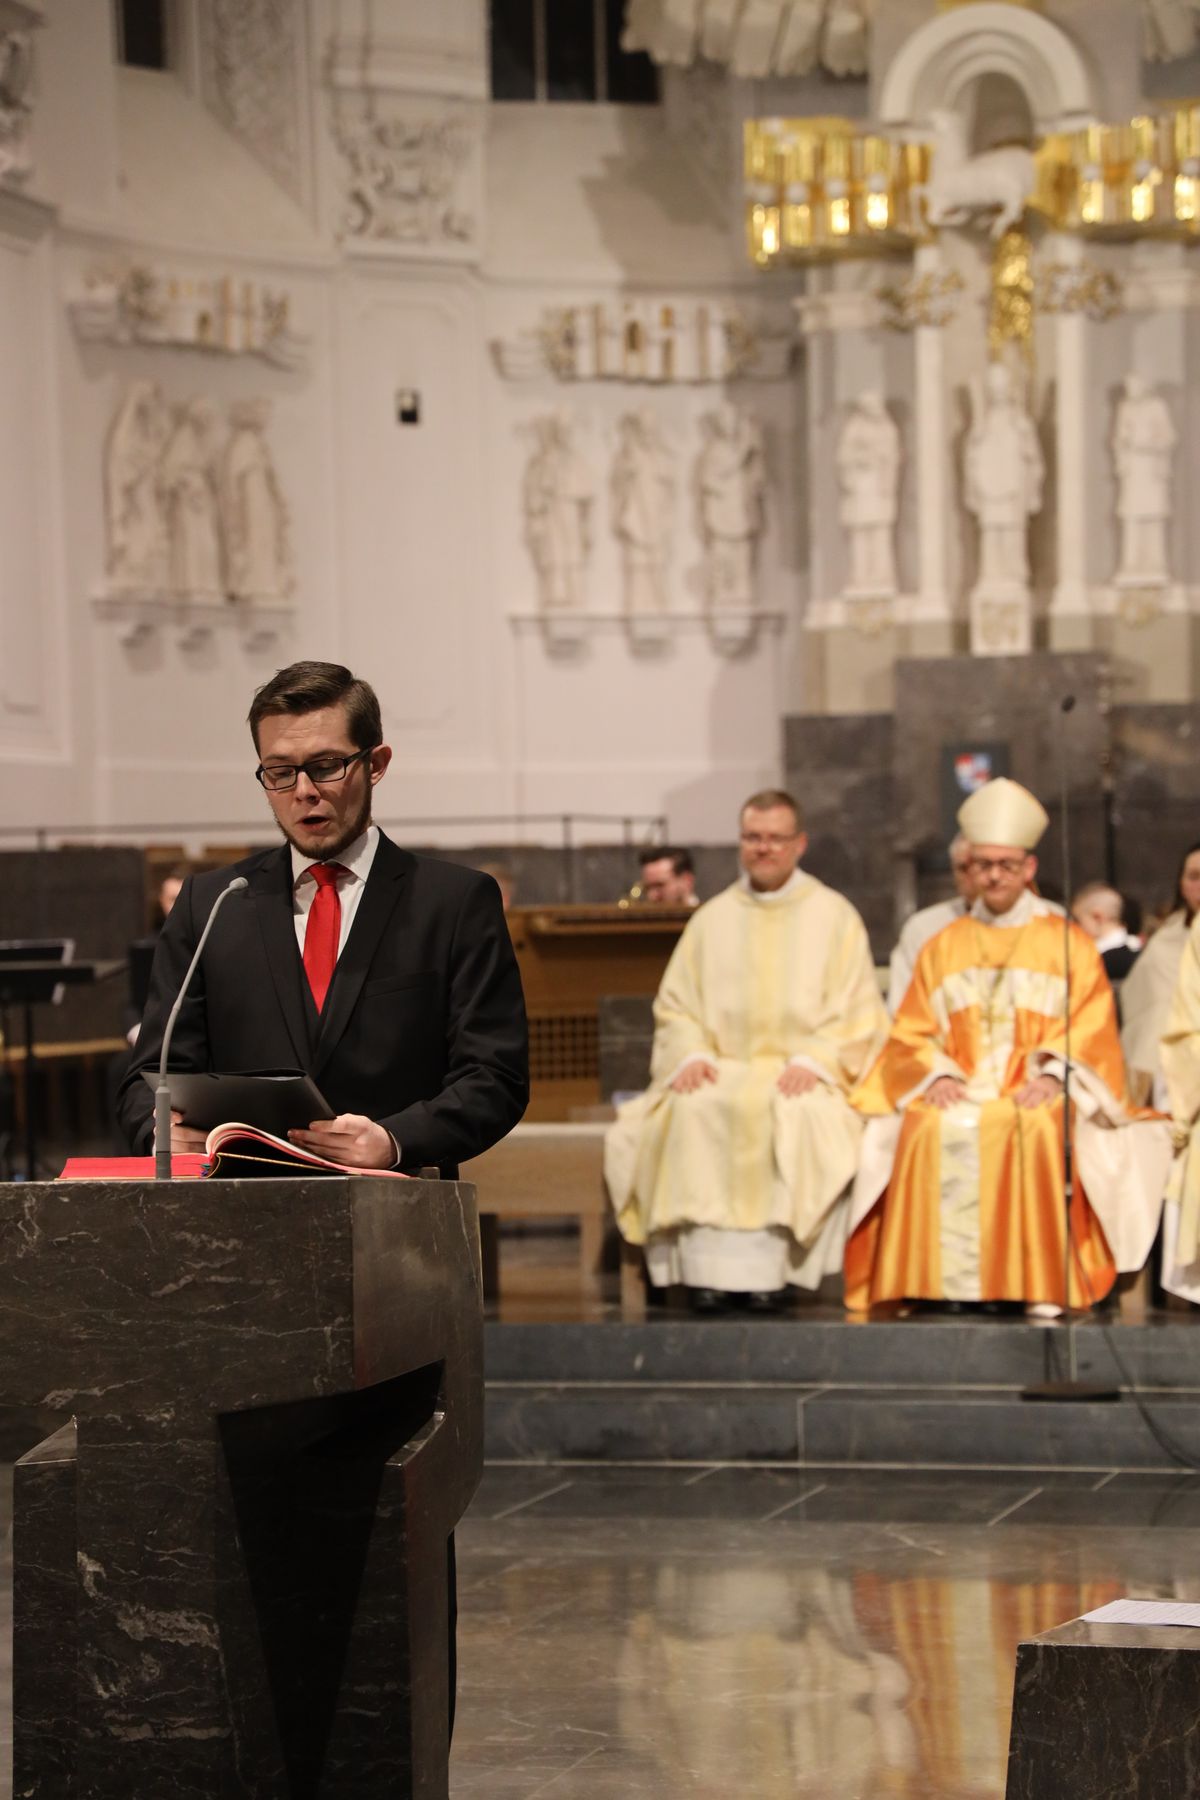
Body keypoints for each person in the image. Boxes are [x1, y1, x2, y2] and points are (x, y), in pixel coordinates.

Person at [118, 659, 529, 1172]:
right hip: (237, 1213)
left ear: (376, 763)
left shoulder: (454, 902)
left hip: (399, 1208)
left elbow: (495, 1075)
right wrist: (159, 1133)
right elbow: (151, 1074)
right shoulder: (212, 903)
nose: (304, 791)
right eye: (280, 772)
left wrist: (395, 1140)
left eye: (327, 765)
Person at [847, 777, 1170, 1319]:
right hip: (962, 1086)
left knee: (1037, 1125)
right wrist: (939, 1074)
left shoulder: (1065, 942)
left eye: (1005, 864)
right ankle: (938, 1286)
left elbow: (1090, 1024)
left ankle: (1030, 1281)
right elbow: (911, 1031)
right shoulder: (940, 946)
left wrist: (1051, 1075)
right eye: (982, 864)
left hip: (1032, 1088)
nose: (993, 875)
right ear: (968, 869)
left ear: (1028, 869)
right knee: (927, 1123)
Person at [605, 790, 886, 1314]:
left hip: (801, 1071)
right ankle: (708, 1276)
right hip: (721, 1068)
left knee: (795, 1112)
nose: (764, 849)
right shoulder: (712, 919)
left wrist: (814, 1061)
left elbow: (858, 1013)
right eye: (753, 837)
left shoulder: (834, 915)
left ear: (799, 844)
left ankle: (773, 1277)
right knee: (695, 1108)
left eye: (776, 838)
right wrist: (688, 1055)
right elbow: (677, 1008)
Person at [1121, 841, 1200, 1107]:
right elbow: (1145, 1004)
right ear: (1181, 883)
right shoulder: (1167, 938)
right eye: (1194, 876)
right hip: (1165, 1065)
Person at [886, 834, 977, 1013]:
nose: (974, 877)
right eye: (963, 868)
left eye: (981, 865)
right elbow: (902, 1010)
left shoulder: (1044, 922)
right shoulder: (923, 928)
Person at [1071, 882, 1141, 984]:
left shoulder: (1097, 963)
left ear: (1097, 917)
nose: (1074, 927)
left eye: (1077, 920)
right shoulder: (1141, 953)